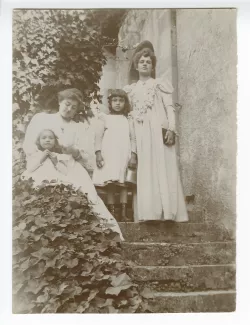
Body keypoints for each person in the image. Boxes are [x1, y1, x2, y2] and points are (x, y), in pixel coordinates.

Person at [22, 88, 124, 240]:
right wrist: (45, 154)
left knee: (87, 192)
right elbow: (29, 145)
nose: (69, 109)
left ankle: (100, 234)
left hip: (70, 164)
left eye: (74, 107)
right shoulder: (43, 119)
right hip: (45, 161)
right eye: (67, 104)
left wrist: (72, 150)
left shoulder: (79, 127)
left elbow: (85, 156)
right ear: (59, 102)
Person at [123, 40, 188, 223]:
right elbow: (129, 115)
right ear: (136, 66)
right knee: (146, 169)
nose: (145, 64)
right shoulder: (131, 90)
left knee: (164, 166)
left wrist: (171, 129)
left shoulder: (160, 84)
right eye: (142, 62)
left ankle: (168, 212)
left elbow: (170, 108)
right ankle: (149, 212)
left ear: (152, 66)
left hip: (159, 130)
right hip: (141, 133)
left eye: (148, 62)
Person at [92, 89, 137, 221]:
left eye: (121, 101)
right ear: (110, 103)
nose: (118, 103)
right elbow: (98, 137)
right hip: (109, 153)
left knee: (123, 183)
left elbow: (133, 138)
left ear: (125, 103)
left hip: (124, 153)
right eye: (115, 100)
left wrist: (133, 155)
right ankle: (112, 211)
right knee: (111, 183)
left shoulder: (128, 119)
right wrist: (98, 153)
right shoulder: (104, 118)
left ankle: (123, 212)